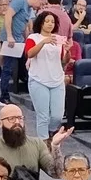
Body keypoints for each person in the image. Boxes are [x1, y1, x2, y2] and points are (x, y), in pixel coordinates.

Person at [0, 103, 71, 180]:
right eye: (11, 119)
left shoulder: (37, 144)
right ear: (0, 123)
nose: (17, 122)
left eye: (20, 118)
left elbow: (56, 174)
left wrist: (55, 146)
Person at [24, 10, 68, 142]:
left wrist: (67, 51)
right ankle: (43, 143)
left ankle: (50, 131)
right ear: (41, 23)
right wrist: (43, 42)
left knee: (57, 116)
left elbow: (63, 60)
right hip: (38, 80)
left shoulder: (58, 39)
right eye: (47, 21)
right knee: (43, 116)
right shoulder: (33, 38)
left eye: (52, 22)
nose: (50, 24)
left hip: (57, 80)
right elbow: (30, 54)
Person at [0, 0, 45, 105]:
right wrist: (9, 36)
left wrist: (27, 39)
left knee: (25, 66)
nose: (40, 7)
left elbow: (24, 26)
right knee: (8, 68)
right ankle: (3, 97)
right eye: (41, 3)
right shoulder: (20, 1)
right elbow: (8, 16)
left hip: (19, 41)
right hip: (10, 40)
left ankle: (31, 91)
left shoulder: (29, 9)